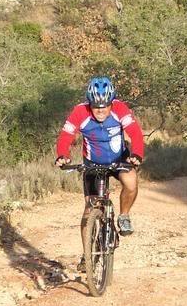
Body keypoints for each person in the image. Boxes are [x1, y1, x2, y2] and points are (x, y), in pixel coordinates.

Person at [55, 76, 144, 270]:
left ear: (112, 102)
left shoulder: (120, 109)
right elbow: (66, 136)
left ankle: (124, 216)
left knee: (130, 182)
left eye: (105, 106)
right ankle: (88, 255)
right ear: (90, 103)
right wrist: (62, 155)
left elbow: (135, 133)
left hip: (119, 158)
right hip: (92, 163)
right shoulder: (80, 112)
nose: (101, 110)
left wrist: (137, 153)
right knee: (89, 211)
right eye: (96, 106)